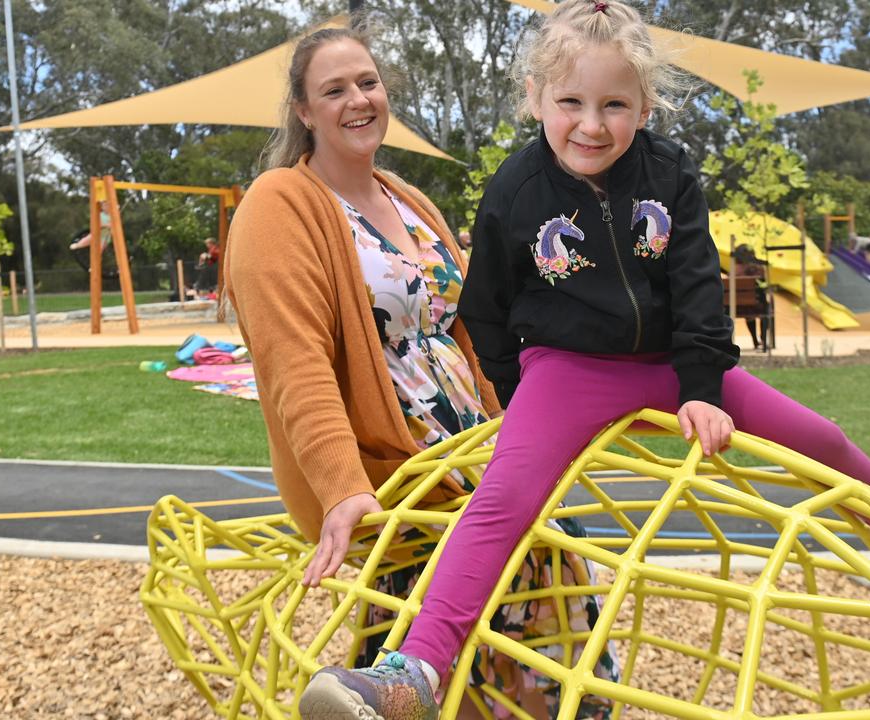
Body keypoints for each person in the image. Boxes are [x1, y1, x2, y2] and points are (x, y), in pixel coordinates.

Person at [298, 2, 870, 717]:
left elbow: (694, 283)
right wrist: (521, 390)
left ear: (645, 106)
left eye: (615, 105)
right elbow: (485, 306)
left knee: (824, 440)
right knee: (502, 502)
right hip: (567, 369)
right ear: (535, 98)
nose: (591, 125)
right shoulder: (516, 191)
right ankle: (415, 672)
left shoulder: (671, 172)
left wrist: (702, 386)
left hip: (672, 362)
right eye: (571, 102)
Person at [225, 25, 616, 719]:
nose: (358, 100)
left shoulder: (407, 198)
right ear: (303, 110)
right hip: (401, 466)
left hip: (476, 447)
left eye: (368, 83)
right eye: (334, 89)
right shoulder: (280, 202)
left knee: (546, 583)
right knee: (461, 609)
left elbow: (473, 334)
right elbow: (293, 358)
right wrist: (342, 487)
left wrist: (527, 428)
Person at [732, 244, 769, 350]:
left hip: (737, 308)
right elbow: (763, 287)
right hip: (756, 306)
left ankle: (755, 340)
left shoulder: (734, 270)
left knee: (749, 312)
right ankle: (763, 338)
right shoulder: (759, 269)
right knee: (766, 308)